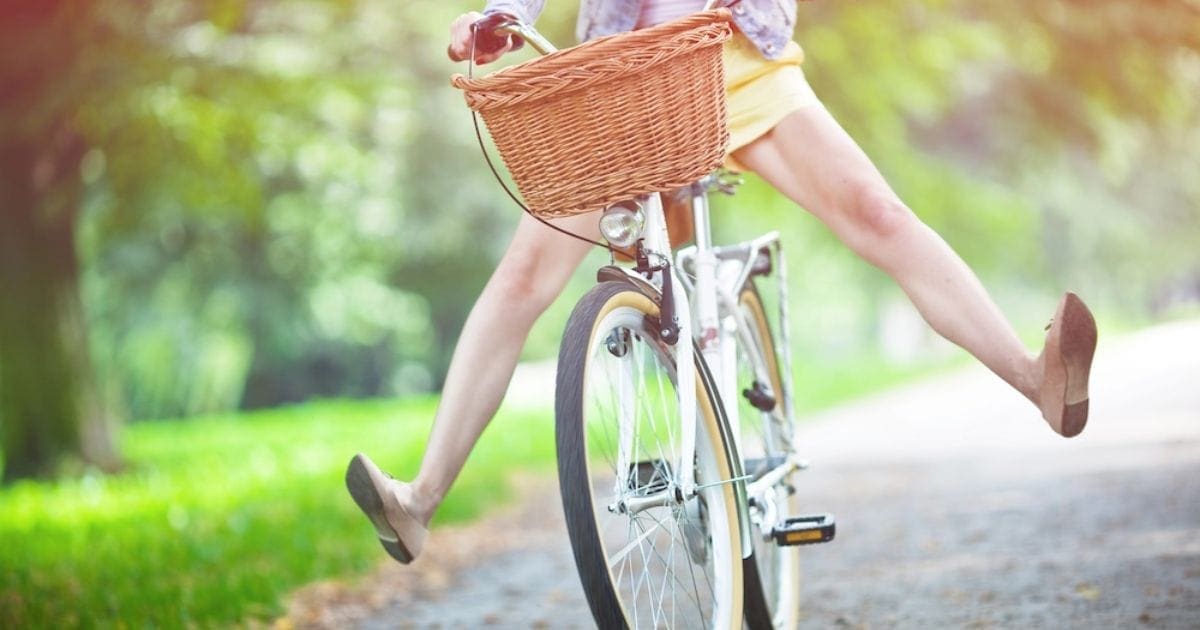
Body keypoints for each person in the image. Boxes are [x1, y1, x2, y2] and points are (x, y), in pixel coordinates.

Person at [344, 0, 1099, 565]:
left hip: (734, 51)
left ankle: (1038, 380)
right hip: (623, 74)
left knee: (876, 213)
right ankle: (420, 501)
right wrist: (502, 13)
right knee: (520, 280)